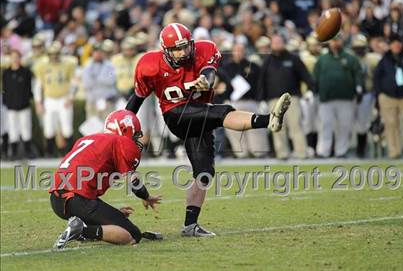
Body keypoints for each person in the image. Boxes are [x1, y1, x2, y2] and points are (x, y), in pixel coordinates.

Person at [126, 23, 291, 236]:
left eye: (186, 46)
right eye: (177, 48)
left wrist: (206, 81)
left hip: (200, 115)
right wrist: (124, 124)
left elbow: (209, 73)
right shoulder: (149, 65)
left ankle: (190, 225)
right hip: (176, 115)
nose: (184, 52)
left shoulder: (205, 49)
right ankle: (269, 120)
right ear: (165, 50)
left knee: (204, 173)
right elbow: (137, 98)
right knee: (221, 112)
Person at [49, 109, 162, 249]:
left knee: (111, 220)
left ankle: (81, 229)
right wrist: (146, 196)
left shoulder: (86, 139)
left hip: (57, 200)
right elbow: (134, 183)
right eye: (134, 136)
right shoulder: (121, 142)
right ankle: (81, 231)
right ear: (124, 130)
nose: (135, 141)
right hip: (76, 198)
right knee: (132, 235)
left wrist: (112, 212)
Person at [258, 34, 314, 159]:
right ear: (271, 45)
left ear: (284, 43)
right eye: (274, 42)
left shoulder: (294, 59)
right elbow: (261, 82)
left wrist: (311, 89)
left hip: (292, 98)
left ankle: (301, 153)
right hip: (273, 99)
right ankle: (282, 153)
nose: (277, 44)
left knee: (296, 125)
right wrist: (261, 100)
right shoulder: (267, 61)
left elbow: (305, 75)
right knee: (277, 128)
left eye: (279, 42)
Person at [313, 35, 363, 158]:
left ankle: (341, 151)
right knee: (325, 125)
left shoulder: (351, 58)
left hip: (345, 97)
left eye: (338, 40)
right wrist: (314, 91)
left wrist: (359, 87)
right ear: (329, 42)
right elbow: (315, 76)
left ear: (342, 41)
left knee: (344, 126)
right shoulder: (322, 59)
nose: (335, 43)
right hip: (326, 98)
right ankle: (323, 151)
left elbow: (358, 74)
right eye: (333, 41)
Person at [373, 34, 403, 159]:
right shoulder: (384, 60)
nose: (396, 45)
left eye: (398, 42)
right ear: (390, 45)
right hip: (388, 97)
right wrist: (379, 94)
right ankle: (394, 152)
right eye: (393, 43)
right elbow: (377, 77)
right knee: (391, 125)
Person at [33, 41, 77, 156]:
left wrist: (70, 97)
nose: (54, 56)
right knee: (49, 128)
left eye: (56, 53)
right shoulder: (42, 65)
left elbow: (73, 83)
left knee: (67, 128)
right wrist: (38, 102)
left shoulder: (68, 64)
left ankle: (69, 154)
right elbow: (38, 86)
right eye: (51, 54)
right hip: (49, 100)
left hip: (64, 99)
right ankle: (49, 153)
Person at [2, 49, 35, 160]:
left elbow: (29, 88)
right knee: (13, 129)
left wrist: (26, 100)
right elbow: (5, 89)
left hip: (24, 106)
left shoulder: (25, 72)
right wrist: (7, 102)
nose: (15, 59)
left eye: (17, 57)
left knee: (26, 128)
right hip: (11, 107)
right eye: (13, 57)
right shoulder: (6, 73)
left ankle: (27, 151)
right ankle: (14, 153)